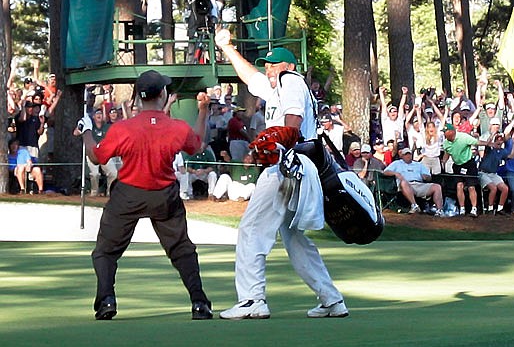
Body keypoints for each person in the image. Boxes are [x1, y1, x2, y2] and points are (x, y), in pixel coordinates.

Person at [215, 29, 348, 319]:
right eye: (266, 64)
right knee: (294, 238)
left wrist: (280, 142)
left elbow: (293, 122)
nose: (268, 68)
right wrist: (227, 48)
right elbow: (250, 77)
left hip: (286, 167)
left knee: (252, 229)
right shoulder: (277, 85)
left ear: (289, 67)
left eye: (274, 64)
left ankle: (252, 300)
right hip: (299, 168)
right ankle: (331, 299)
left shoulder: (291, 81)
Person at [77, 70, 213, 321]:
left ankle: (106, 300)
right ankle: (199, 303)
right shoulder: (176, 127)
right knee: (182, 250)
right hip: (164, 195)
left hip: (128, 193)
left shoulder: (123, 128)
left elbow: (97, 156)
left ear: (138, 99)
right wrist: (203, 111)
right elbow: (197, 145)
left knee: (105, 251)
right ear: (162, 94)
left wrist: (86, 131)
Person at [442, 123, 492, 216]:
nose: (445, 134)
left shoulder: (463, 137)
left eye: (446, 132)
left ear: (452, 131)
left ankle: (474, 209)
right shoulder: (446, 143)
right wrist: (443, 162)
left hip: (469, 164)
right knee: (459, 186)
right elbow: (447, 153)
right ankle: (462, 208)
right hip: (457, 165)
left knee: (471, 187)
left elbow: (477, 142)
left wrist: (490, 144)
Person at [383, 147, 444, 216]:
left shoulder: (419, 164)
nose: (408, 156)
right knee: (403, 183)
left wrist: (426, 177)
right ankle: (414, 205)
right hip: (406, 185)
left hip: (419, 184)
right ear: (402, 156)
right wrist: (395, 173)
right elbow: (385, 172)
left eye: (409, 154)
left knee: (437, 187)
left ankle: (439, 210)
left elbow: (429, 177)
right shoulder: (397, 163)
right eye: (406, 154)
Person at [73, 109, 118, 196]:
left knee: (113, 173)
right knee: (94, 174)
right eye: (97, 113)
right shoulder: (89, 127)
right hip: (91, 153)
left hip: (105, 153)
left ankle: (110, 192)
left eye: (100, 113)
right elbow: (75, 133)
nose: (99, 115)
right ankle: (94, 193)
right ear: (93, 117)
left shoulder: (107, 127)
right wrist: (80, 126)